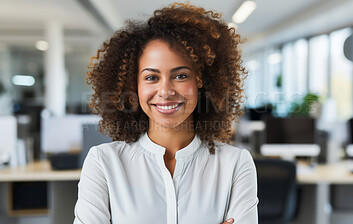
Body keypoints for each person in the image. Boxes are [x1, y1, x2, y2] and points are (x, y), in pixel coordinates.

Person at [74, 2, 258, 224]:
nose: (165, 91)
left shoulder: (235, 164)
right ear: (133, 87)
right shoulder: (103, 163)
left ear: (202, 82)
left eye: (180, 76)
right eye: (151, 77)